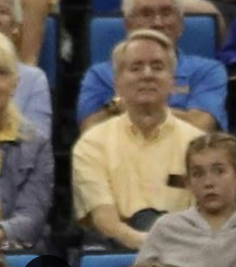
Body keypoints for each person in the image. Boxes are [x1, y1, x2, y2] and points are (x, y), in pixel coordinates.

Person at [72, 29, 205, 252]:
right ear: (117, 84)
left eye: (157, 67)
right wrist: (152, 246)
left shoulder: (198, 143)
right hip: (117, 250)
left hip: (185, 251)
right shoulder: (92, 143)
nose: (147, 74)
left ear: (172, 81)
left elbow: (206, 216)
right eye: (135, 68)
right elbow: (106, 222)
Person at [77, 0, 226, 133]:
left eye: (166, 13)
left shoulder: (208, 71)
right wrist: (116, 105)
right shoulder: (100, 74)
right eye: (146, 14)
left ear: (181, 25)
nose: (158, 23)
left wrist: (130, 106)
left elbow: (200, 128)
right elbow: (90, 131)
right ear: (128, 24)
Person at [136, 132, 236, 267]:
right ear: (189, 183)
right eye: (198, 174)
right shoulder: (167, 227)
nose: (208, 182)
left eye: (219, 171)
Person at [0, 28, 50, 255]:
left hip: (14, 252)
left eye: (1, 72)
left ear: (15, 83)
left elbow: (31, 220)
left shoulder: (35, 143)